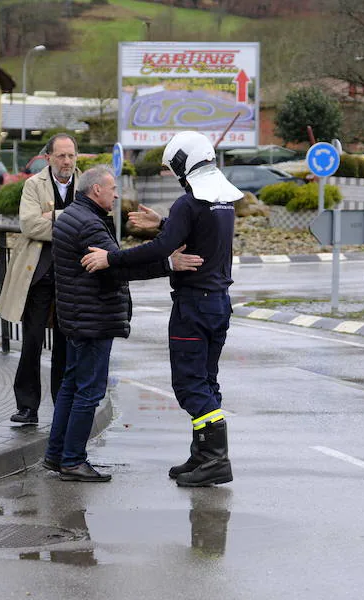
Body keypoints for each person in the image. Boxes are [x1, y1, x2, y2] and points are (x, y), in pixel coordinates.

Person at [81, 131, 242, 487]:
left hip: (193, 307)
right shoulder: (223, 200)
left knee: (188, 384)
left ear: (186, 163)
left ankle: (215, 459)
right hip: (218, 305)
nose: (175, 175)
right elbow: (199, 234)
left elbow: (160, 250)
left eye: (175, 168)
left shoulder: (189, 202)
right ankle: (202, 455)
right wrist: (164, 223)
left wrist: (111, 257)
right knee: (206, 380)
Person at [46, 166, 203, 482]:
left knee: (71, 384)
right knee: (88, 391)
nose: (117, 194)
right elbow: (117, 268)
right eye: (112, 188)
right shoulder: (90, 225)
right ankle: (73, 460)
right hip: (94, 318)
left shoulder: (72, 216)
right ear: (96, 190)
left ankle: (57, 454)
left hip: (77, 316)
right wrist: (168, 264)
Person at [0, 133, 79, 425]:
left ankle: (62, 403)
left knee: (65, 345)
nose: (67, 161)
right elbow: (30, 225)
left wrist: (53, 216)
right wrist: (72, 219)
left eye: (71, 155)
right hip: (39, 274)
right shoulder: (33, 185)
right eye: (61, 156)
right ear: (48, 158)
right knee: (31, 341)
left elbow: (97, 223)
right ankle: (27, 406)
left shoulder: (85, 184)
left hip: (73, 278)